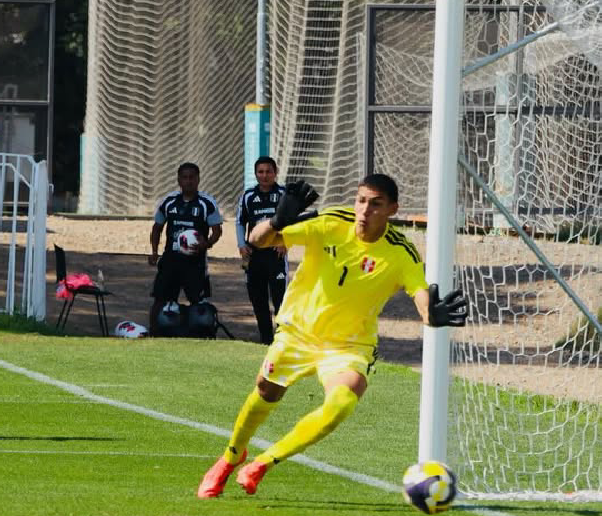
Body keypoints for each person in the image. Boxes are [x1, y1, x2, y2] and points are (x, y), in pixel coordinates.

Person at [196, 174, 468, 498]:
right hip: (299, 331)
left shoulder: (401, 253)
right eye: (361, 200)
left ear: (393, 209)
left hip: (349, 345)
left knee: (341, 403)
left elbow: (421, 294)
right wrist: (278, 220)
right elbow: (258, 240)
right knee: (266, 390)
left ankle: (263, 462)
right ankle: (231, 456)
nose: (365, 210)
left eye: (376, 204)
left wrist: (431, 316)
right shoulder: (331, 222)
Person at [148, 163, 222, 333]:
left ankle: (199, 334)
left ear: (198, 179)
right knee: (160, 299)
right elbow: (157, 228)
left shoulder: (207, 203)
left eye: (192, 177)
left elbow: (217, 231)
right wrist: (154, 252)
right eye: (184, 177)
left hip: (195, 263)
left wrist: (207, 243)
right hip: (170, 260)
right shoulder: (168, 201)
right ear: (178, 179)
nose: (188, 181)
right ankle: (153, 331)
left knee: (197, 301)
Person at [235, 156, 287, 345]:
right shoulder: (248, 196)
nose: (264, 176)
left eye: (268, 171)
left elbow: (293, 221)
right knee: (258, 300)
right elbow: (240, 221)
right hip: (255, 255)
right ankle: (266, 339)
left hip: (276, 254)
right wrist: (242, 244)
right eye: (260, 172)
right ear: (256, 174)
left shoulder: (284, 194)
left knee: (280, 299)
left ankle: (282, 340)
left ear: (275, 173)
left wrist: (285, 241)